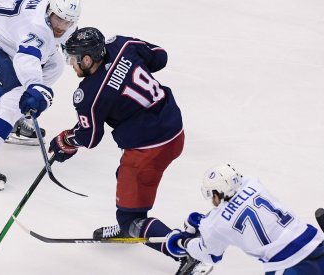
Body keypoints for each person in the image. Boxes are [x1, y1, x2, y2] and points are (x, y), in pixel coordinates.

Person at [20, 27, 211, 275]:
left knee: (131, 219)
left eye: (74, 59)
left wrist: (65, 140)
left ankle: (188, 252)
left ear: (88, 59)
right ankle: (130, 227)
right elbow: (160, 57)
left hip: (149, 149)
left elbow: (89, 137)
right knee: (124, 177)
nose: (71, 64)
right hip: (173, 126)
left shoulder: (89, 94)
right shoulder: (121, 44)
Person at [0, 0, 81, 191]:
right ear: (49, 11)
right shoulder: (36, 27)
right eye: (58, 19)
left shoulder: (53, 13)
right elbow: (26, 59)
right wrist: (34, 87)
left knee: (55, 64)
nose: (61, 27)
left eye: (67, 22)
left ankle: (13, 122)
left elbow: (63, 47)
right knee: (14, 96)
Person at [166, 164, 324, 275]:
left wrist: (183, 243)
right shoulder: (253, 183)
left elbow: (210, 255)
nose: (211, 200)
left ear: (217, 194)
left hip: (288, 265)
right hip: (317, 246)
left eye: (211, 195)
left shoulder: (215, 224)